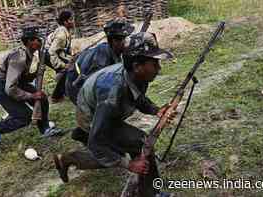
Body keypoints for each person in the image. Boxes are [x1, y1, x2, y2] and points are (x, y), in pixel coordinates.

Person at [53, 32, 174, 197]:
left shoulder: (138, 76)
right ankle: (152, 193)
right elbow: (96, 141)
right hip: (92, 118)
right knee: (131, 146)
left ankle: (67, 157)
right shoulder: (111, 91)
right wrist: (128, 164)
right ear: (137, 66)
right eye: (154, 63)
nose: (159, 68)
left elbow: (138, 97)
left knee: (127, 148)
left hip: (103, 113)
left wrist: (156, 110)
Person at [0, 27, 62, 146]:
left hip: (16, 83)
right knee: (24, 117)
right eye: (38, 40)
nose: (40, 42)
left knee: (42, 99)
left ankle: (45, 129)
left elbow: (21, 78)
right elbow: (10, 88)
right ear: (29, 42)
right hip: (3, 87)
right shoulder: (19, 57)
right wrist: (31, 95)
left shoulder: (29, 54)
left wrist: (35, 73)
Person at [66, 18, 134, 145]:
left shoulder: (114, 52)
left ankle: (83, 132)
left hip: (86, 85)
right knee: (104, 114)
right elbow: (95, 88)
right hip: (77, 87)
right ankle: (94, 138)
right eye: (123, 40)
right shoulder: (101, 59)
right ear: (114, 41)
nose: (126, 43)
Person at [45, 10, 74, 103]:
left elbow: (65, 49)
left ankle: (65, 90)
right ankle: (55, 97)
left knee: (72, 65)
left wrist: (71, 57)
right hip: (47, 54)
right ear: (65, 22)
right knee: (67, 70)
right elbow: (51, 52)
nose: (73, 21)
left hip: (57, 53)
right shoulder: (61, 34)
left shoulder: (66, 31)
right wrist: (60, 65)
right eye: (70, 19)